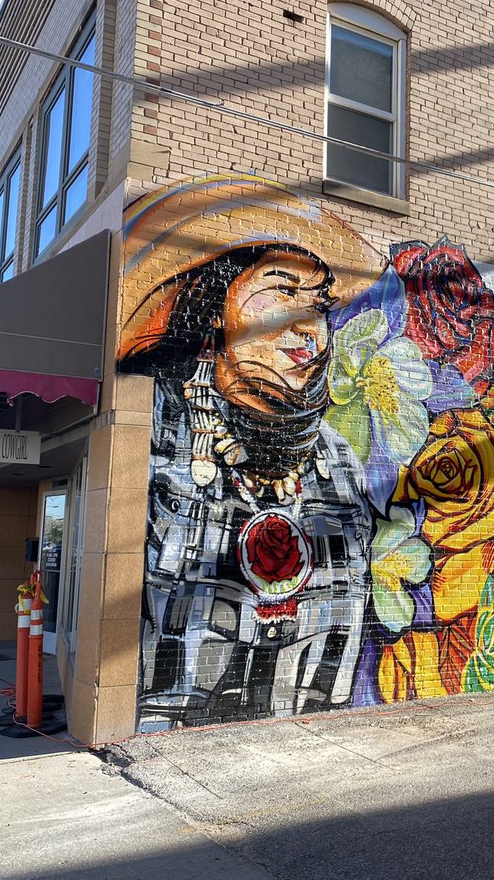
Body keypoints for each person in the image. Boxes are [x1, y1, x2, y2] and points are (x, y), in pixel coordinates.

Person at [118, 176, 386, 728]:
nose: (309, 331)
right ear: (216, 305)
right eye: (283, 291)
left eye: (318, 305)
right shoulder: (155, 425)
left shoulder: (335, 465)